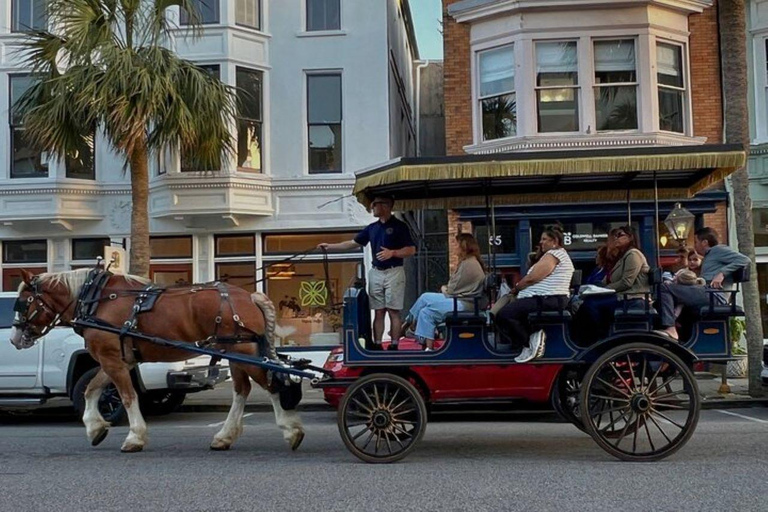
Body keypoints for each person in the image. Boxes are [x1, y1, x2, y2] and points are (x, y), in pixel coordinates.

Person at [317, 195, 416, 350]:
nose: (373, 207)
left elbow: (411, 249)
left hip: (394, 271)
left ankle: (394, 345)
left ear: (386, 206)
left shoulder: (399, 226)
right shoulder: (372, 228)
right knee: (378, 310)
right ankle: (377, 344)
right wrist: (330, 246)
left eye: (375, 204)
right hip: (376, 271)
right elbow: (352, 243)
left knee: (393, 310)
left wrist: (393, 253)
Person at [495, 225, 574, 363]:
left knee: (505, 314)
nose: (541, 242)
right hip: (546, 298)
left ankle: (528, 343)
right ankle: (525, 340)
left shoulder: (554, 254)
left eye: (544, 239)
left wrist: (517, 288)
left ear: (554, 241)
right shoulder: (556, 255)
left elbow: (533, 278)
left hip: (548, 298)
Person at [655, 227, 751, 341]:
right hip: (709, 293)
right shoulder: (709, 256)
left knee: (665, 288)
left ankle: (671, 329)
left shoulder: (718, 250)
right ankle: (682, 337)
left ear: (705, 242)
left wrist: (722, 274)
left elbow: (745, 260)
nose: (695, 245)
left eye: (696, 242)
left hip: (714, 295)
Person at [404, 233, 485, 351]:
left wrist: (444, 288)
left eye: (456, 244)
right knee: (425, 298)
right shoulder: (468, 262)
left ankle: (413, 330)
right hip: (462, 299)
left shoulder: (469, 264)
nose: (454, 246)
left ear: (464, 246)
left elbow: (452, 289)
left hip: (465, 303)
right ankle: (411, 327)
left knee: (427, 310)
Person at [574, 226, 650, 344]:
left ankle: (598, 338)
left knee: (591, 305)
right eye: (615, 236)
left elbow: (626, 282)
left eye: (620, 235)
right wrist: (593, 288)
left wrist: (605, 289)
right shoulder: (621, 258)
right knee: (586, 302)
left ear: (630, 238)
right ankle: (585, 338)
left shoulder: (633, 254)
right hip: (622, 297)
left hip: (632, 298)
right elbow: (607, 280)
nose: (616, 238)